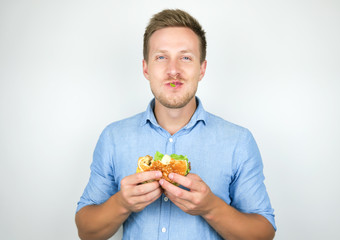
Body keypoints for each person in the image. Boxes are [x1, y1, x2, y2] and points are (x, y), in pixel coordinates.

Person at [75, 9, 276, 240]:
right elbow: (86, 231)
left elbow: (264, 233)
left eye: (186, 57)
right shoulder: (113, 137)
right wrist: (122, 203)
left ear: (202, 69)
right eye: (161, 57)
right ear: (145, 68)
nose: (173, 70)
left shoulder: (239, 141)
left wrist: (211, 207)